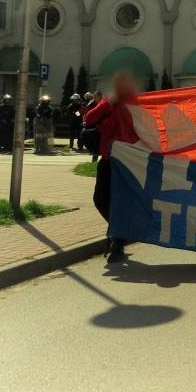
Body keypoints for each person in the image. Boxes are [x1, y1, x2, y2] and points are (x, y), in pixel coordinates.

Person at [84, 74, 141, 263]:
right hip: (107, 160)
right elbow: (89, 118)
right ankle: (118, 232)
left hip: (125, 162)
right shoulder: (108, 102)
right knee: (100, 199)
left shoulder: (135, 105)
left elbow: (138, 131)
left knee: (119, 202)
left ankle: (118, 242)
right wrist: (107, 104)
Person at [82, 90, 104, 162]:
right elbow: (83, 112)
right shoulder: (89, 104)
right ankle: (94, 157)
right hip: (91, 125)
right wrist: (75, 116)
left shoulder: (103, 103)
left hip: (100, 125)